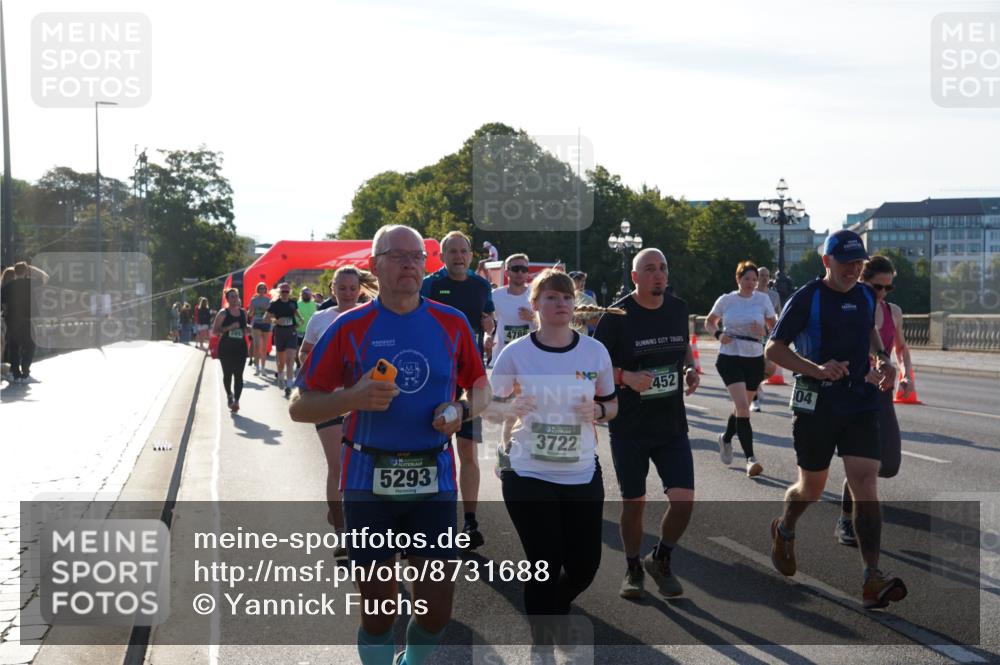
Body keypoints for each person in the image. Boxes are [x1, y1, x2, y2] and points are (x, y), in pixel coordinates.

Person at [290, 224, 489, 665]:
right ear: (375, 267)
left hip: (433, 479)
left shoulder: (451, 323)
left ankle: (412, 661)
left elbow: (481, 389)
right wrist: (351, 399)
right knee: (380, 611)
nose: (408, 264)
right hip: (367, 481)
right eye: (397, 255)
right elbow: (300, 407)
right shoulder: (349, 326)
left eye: (417, 256)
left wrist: (460, 411)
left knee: (437, 612)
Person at [765, 229, 905, 610]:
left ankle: (871, 577)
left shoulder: (863, 293)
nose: (854, 269)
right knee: (810, 488)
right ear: (827, 262)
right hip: (817, 405)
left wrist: (882, 359)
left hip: (860, 402)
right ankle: (786, 527)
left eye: (859, 263)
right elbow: (774, 348)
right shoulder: (807, 298)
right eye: (846, 263)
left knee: (865, 482)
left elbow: (872, 331)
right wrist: (815, 368)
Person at [488, 269, 617, 649]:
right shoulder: (515, 354)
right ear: (535, 306)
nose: (560, 304)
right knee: (545, 561)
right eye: (551, 298)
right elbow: (489, 408)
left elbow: (612, 405)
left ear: (574, 304)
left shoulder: (594, 351)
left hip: (580, 471)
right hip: (527, 470)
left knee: (583, 566)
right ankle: (541, 644)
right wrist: (510, 404)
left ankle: (555, 608)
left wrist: (599, 412)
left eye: (566, 297)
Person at [594, 248, 701, 600]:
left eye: (663, 268)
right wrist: (624, 376)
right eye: (650, 269)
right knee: (634, 503)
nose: (658, 274)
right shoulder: (616, 317)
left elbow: (682, 346)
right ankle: (633, 567)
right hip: (629, 426)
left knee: (684, 501)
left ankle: (661, 558)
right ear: (636, 277)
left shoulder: (677, 308)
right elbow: (592, 368)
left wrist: (689, 368)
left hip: (671, 423)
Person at [420, 231, 496, 549]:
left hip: (467, 377)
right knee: (430, 451)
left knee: (467, 451)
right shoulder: (431, 284)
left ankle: (470, 521)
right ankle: (429, 519)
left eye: (463, 251)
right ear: (442, 255)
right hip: (434, 377)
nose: (458, 257)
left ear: (470, 255)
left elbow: (488, 320)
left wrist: (490, 325)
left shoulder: (480, 285)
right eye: (452, 251)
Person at [835, 255, 911, 546]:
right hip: (855, 392)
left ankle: (859, 482)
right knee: (864, 462)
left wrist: (906, 375)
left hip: (883, 393)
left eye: (887, 288)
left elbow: (901, 348)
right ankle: (846, 518)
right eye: (877, 287)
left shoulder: (893, 312)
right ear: (862, 281)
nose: (881, 294)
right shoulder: (851, 309)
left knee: (889, 464)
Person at [298, 267, 366, 549]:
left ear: (360, 289)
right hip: (328, 401)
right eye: (343, 288)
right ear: (332, 289)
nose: (348, 293)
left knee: (363, 467)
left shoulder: (370, 315)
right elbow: (304, 352)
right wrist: (315, 369)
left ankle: (361, 525)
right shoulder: (320, 318)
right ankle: (341, 531)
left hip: (363, 401)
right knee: (337, 464)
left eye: (353, 288)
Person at [705, 261, 777, 477]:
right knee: (744, 406)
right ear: (738, 279)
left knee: (740, 407)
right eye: (747, 279)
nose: (751, 283)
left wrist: (763, 330)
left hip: (754, 357)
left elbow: (776, 328)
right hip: (730, 356)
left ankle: (726, 438)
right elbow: (710, 322)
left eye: (754, 280)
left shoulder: (763, 300)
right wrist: (718, 335)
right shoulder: (726, 300)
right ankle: (750, 459)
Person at [1, 261, 48, 384]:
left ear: (15, 272)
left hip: (11, 321)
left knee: (14, 347)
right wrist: (32, 268)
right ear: (26, 271)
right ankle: (25, 373)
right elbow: (45, 277)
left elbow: (4, 306)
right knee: (30, 345)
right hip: (26, 320)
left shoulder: (7, 286)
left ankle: (15, 374)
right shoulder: (30, 283)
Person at [212, 288, 249, 412]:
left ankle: (237, 401)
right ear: (227, 299)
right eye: (232, 296)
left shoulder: (243, 313)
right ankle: (229, 394)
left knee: (239, 375)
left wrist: (248, 330)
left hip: (240, 348)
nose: (234, 299)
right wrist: (229, 327)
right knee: (228, 375)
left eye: (236, 296)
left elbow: (245, 328)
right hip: (226, 348)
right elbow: (215, 331)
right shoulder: (223, 313)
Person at [753, 266, 783, 411]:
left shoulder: (774, 295)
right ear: (756, 277)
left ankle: (756, 385)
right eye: (761, 275)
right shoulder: (751, 294)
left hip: (769, 336)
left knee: (769, 368)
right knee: (754, 365)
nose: (765, 278)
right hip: (753, 336)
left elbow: (779, 315)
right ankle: (755, 396)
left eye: (767, 275)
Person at [266, 283, 302, 397]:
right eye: (283, 292)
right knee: (281, 362)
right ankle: (280, 374)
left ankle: (289, 386)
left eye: (287, 292)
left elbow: (296, 313)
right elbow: (266, 318)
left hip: (291, 332)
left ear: (289, 292)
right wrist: (276, 321)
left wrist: (300, 320)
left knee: (290, 360)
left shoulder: (293, 303)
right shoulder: (274, 304)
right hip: (280, 333)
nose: (285, 294)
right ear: (280, 292)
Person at [248, 282, 272, 375]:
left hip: (266, 323)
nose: (262, 290)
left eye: (263, 288)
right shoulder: (254, 300)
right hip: (256, 323)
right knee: (257, 345)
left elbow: (271, 313)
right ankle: (257, 367)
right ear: (257, 289)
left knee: (264, 347)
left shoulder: (268, 300)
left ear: (265, 290)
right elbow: (250, 313)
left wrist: (266, 309)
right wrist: (250, 311)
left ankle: (263, 368)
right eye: (260, 288)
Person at [295, 286, 318, 370]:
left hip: (311, 332)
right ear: (301, 294)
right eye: (304, 294)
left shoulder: (314, 304)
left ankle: (306, 367)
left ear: (310, 295)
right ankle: (298, 364)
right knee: (297, 351)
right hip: (299, 330)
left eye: (308, 294)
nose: (306, 295)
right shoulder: (297, 304)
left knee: (309, 352)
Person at [569, 271, 599, 336]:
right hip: (561, 340)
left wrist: (583, 321)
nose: (579, 282)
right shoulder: (559, 298)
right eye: (575, 280)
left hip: (581, 339)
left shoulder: (588, 299)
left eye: (580, 280)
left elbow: (598, 320)